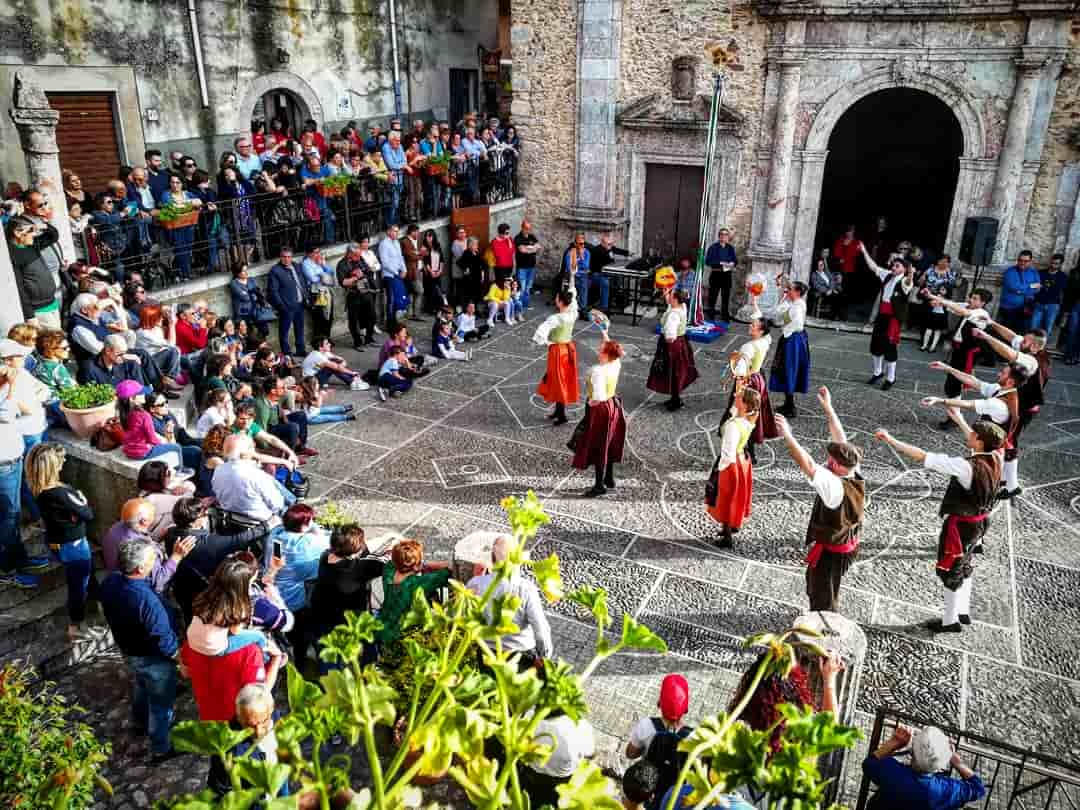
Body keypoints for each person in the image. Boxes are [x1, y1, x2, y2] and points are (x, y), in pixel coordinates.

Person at [876, 420, 1004, 634]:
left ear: (980, 442)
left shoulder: (966, 467)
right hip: (980, 522)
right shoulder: (996, 456)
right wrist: (957, 417)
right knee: (964, 563)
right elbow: (978, 439)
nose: (969, 434)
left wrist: (890, 439)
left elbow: (921, 456)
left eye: (973, 434)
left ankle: (950, 621)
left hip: (962, 528)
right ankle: (963, 610)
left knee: (950, 571)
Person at [775, 388, 863, 613]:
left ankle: (823, 631)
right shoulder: (853, 469)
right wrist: (828, 408)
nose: (828, 460)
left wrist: (788, 435)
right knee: (822, 585)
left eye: (831, 459)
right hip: (847, 543)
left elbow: (808, 465)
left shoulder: (834, 486)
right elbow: (840, 437)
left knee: (823, 594)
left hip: (834, 551)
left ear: (837, 465)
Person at [100, 538, 182, 762]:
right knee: (160, 704)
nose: (155, 561)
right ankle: (160, 748)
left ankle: (138, 721)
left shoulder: (111, 581)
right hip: (153, 657)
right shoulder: (146, 600)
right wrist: (181, 662)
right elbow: (165, 640)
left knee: (141, 685)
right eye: (152, 560)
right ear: (140, 568)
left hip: (129, 650)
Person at [26, 442, 103, 641]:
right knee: (78, 586)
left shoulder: (40, 489)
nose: (64, 462)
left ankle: (97, 604)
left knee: (85, 578)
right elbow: (88, 513)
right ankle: (75, 626)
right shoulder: (61, 493)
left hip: (58, 544)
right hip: (74, 546)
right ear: (52, 467)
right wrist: (81, 500)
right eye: (60, 461)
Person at [973, 321, 1051, 499]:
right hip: (1018, 402)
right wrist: (992, 323)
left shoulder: (1031, 360)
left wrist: (986, 336)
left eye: (1025, 341)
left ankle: (1012, 485)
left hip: (1023, 407)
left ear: (1034, 346)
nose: (1020, 342)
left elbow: (1008, 352)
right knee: (1006, 441)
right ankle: (1003, 478)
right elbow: (1011, 337)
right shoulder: (1033, 349)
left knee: (1009, 442)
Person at [466, 534, 554, 667]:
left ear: (492, 558)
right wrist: (544, 656)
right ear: (517, 558)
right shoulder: (526, 589)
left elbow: (467, 616)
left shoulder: (475, 583)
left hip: (486, 652)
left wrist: (478, 579)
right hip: (521, 655)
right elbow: (540, 629)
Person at [519, 663, 596, 807]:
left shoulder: (525, 716)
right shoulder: (580, 728)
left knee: (528, 800)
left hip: (531, 773)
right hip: (562, 779)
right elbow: (590, 754)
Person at [308, 524, 384, 666]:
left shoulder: (326, 556)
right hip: (346, 619)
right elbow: (382, 565)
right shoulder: (358, 569)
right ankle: (368, 667)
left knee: (327, 656)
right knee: (367, 638)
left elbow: (361, 555)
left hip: (321, 614)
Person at [862, 725, 985, 809]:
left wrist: (894, 742)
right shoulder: (947, 791)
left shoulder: (892, 773)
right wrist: (958, 763)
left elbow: (870, 763)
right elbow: (978, 788)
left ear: (912, 753)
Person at [925, 287, 993, 429]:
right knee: (952, 385)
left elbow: (961, 310)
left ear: (983, 303)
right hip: (958, 350)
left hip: (966, 353)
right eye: (971, 297)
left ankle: (954, 418)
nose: (971, 300)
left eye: (975, 299)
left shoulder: (981, 313)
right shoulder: (969, 307)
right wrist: (932, 296)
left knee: (954, 385)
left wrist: (944, 303)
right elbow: (951, 304)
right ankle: (954, 415)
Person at [569, 330, 626, 497]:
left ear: (608, 354)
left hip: (600, 410)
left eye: (601, 351)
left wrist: (591, 401)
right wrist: (605, 333)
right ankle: (609, 478)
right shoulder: (615, 363)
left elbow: (597, 397)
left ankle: (599, 484)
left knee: (598, 445)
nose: (598, 352)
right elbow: (612, 348)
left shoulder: (598, 371)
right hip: (613, 406)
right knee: (608, 442)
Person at [625, 674, 694, 810]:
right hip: (675, 795)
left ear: (659, 702)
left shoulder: (645, 726)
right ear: (686, 708)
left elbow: (630, 754)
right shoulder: (695, 737)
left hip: (647, 787)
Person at [206, 684, 288, 798]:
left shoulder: (277, 717)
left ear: (271, 709)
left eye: (264, 722)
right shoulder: (226, 747)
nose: (258, 732)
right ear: (239, 717)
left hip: (280, 775)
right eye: (250, 726)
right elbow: (218, 791)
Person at [706, 386, 760, 549]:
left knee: (725, 497)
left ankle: (727, 536)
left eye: (739, 396)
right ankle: (731, 526)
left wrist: (720, 468)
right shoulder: (748, 419)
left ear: (744, 404)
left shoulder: (733, 426)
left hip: (730, 464)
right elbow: (732, 412)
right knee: (735, 497)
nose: (735, 396)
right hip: (741, 462)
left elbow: (728, 451)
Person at [375, 539, 451, 648]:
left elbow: (393, 561)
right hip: (400, 633)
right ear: (416, 564)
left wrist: (412, 561)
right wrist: (424, 565)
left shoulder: (389, 571)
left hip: (381, 625)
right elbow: (447, 570)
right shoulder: (418, 583)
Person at [860, 243, 915, 390]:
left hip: (893, 319)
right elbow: (873, 267)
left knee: (890, 348)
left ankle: (891, 378)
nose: (894, 267)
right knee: (876, 345)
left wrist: (911, 273)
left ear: (903, 268)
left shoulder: (904, 281)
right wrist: (864, 250)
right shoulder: (888, 276)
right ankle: (878, 372)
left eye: (897, 266)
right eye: (893, 265)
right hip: (882, 315)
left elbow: (909, 282)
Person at [212, 433, 291, 522]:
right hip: (260, 523)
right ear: (246, 452)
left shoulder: (218, 470)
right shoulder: (256, 475)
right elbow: (277, 505)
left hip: (231, 519)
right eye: (252, 447)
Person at [533, 284, 580, 426]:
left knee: (559, 381)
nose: (555, 299)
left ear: (560, 301)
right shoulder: (572, 314)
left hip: (558, 352)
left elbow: (542, 330)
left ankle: (562, 415)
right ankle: (559, 412)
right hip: (567, 349)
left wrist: (542, 340)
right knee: (559, 380)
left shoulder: (557, 318)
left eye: (557, 298)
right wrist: (572, 277)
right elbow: (574, 300)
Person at [647, 287, 699, 412]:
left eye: (671, 295)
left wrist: (666, 340)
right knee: (678, 371)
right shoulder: (682, 307)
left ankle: (675, 400)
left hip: (672, 345)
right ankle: (675, 398)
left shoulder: (673, 316)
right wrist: (667, 295)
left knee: (672, 371)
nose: (669, 296)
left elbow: (670, 336)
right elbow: (671, 307)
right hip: (682, 342)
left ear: (675, 299)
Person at [8, 215, 61, 328]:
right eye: (31, 231)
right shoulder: (13, 255)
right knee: (58, 341)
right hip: (39, 310)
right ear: (17, 233)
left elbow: (53, 236)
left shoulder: (32, 245)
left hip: (52, 302)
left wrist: (42, 226)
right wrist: (30, 316)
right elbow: (19, 288)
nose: (34, 234)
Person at [768, 279, 810, 418]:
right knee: (786, 369)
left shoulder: (798, 306)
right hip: (792, 338)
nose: (788, 290)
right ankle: (788, 403)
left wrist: (786, 331)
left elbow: (797, 324)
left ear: (797, 292)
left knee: (789, 369)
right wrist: (784, 298)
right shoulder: (793, 303)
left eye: (790, 289)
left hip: (793, 340)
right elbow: (777, 313)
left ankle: (790, 407)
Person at [117, 380, 183, 468]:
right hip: (142, 453)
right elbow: (152, 439)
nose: (145, 395)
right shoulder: (144, 415)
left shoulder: (123, 413)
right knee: (177, 447)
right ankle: (180, 470)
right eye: (141, 393)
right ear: (132, 398)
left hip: (128, 451)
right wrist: (165, 443)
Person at [267, 246, 310, 358]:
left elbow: (302, 282)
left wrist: (306, 296)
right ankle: (287, 355)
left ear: (292, 257)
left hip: (300, 303)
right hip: (287, 306)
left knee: (299, 328)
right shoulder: (275, 271)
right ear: (280, 257)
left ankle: (301, 350)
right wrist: (281, 306)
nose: (286, 259)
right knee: (284, 332)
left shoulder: (296, 266)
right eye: (284, 257)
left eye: (289, 257)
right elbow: (273, 291)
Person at [137, 459, 197, 538]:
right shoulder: (157, 499)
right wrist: (186, 488)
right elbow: (189, 495)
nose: (171, 474)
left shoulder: (143, 494)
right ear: (160, 480)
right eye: (168, 473)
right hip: (157, 537)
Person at [336, 240, 379, 349]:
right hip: (353, 294)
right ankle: (357, 342)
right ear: (350, 253)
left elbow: (368, 270)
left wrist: (363, 272)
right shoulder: (342, 264)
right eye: (356, 255)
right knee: (354, 320)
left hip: (366, 292)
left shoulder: (360, 259)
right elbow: (343, 282)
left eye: (360, 255)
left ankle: (369, 338)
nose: (359, 258)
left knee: (372, 316)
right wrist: (355, 277)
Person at [917, 255, 958, 353]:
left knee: (938, 323)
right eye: (942, 261)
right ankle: (924, 342)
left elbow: (954, 286)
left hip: (942, 300)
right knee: (926, 320)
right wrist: (922, 279)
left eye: (946, 261)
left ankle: (933, 345)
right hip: (928, 297)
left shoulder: (951, 273)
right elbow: (920, 282)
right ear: (937, 261)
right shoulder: (930, 270)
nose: (944, 263)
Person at [300, 246, 336, 344]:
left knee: (329, 316)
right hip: (316, 293)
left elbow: (331, 272)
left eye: (318, 252)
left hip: (326, 290)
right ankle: (318, 342)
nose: (318, 254)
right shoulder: (306, 263)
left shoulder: (319, 261)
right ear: (309, 253)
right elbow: (313, 279)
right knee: (319, 317)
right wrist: (323, 276)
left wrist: (323, 265)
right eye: (315, 252)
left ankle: (327, 338)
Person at [998, 250, 1041, 333]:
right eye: (1020, 260)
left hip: (1025, 308)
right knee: (1006, 333)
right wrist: (1030, 287)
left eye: (1026, 261)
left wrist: (1021, 290)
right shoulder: (1010, 272)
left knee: (1021, 333)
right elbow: (1013, 288)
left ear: (1030, 261)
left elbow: (1037, 288)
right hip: (1009, 308)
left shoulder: (1034, 272)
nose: (1022, 263)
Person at [705, 228, 737, 322]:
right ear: (719, 236)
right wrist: (721, 263)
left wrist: (732, 263)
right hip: (716, 274)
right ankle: (710, 314)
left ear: (728, 237)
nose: (724, 236)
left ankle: (725, 315)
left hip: (726, 275)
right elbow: (708, 261)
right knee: (713, 296)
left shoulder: (730, 248)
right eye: (722, 234)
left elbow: (735, 260)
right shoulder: (713, 247)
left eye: (726, 235)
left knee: (725, 296)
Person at [1030, 253, 1067, 335]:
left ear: (1060, 264)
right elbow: (1032, 286)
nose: (1053, 265)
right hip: (1039, 303)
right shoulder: (1041, 273)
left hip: (1052, 306)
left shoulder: (1063, 276)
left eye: (1056, 264)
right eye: (1052, 262)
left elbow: (1061, 292)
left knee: (1047, 328)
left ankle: (1041, 346)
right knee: (1033, 327)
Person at [379, 224, 409, 324]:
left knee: (399, 297)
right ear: (388, 232)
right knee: (391, 299)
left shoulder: (396, 242)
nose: (397, 233)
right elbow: (385, 262)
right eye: (394, 231)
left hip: (398, 274)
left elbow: (400, 257)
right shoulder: (384, 244)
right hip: (389, 275)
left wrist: (404, 270)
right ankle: (390, 322)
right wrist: (396, 273)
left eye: (397, 231)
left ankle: (396, 320)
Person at [514, 220, 541, 311]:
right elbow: (522, 250)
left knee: (528, 287)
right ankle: (519, 305)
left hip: (531, 266)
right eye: (526, 228)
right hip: (522, 267)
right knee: (522, 287)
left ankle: (526, 304)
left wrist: (530, 249)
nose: (528, 230)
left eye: (529, 228)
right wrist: (532, 248)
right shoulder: (518, 238)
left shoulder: (532, 236)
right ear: (522, 228)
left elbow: (539, 247)